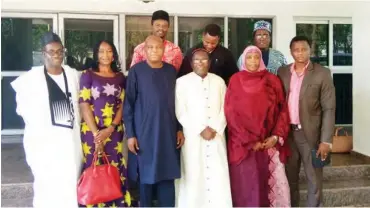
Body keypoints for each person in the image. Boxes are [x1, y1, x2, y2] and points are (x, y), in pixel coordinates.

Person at [11, 32, 83, 208]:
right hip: (45, 146)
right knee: (47, 188)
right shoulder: (30, 80)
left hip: (70, 144)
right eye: (51, 51)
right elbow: (23, 111)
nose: (56, 55)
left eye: (60, 51)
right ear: (43, 53)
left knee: (71, 185)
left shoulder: (73, 75)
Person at [225, 45, 291, 207]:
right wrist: (249, 140)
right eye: (249, 57)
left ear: (261, 59)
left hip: (268, 143)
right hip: (242, 144)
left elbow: (283, 110)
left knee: (265, 185)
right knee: (245, 186)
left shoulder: (272, 80)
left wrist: (275, 136)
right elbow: (231, 113)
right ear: (243, 59)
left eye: (256, 57)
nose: (253, 61)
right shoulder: (235, 80)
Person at [123, 35, 185, 207]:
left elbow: (177, 103)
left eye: (158, 47)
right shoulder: (136, 71)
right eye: (150, 47)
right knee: (146, 176)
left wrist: (179, 128)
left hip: (167, 132)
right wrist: (131, 134)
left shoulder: (171, 71)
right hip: (144, 132)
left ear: (164, 50)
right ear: (144, 50)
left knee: (166, 174)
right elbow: (128, 103)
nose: (154, 51)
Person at [278, 36, 336, 207]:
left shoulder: (322, 73)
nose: (300, 53)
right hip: (287, 134)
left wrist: (326, 141)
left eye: (304, 49)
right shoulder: (282, 72)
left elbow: (329, 109)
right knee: (290, 179)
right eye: (296, 50)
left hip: (311, 135)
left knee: (314, 180)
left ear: (310, 50)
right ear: (291, 52)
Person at [78, 40, 134, 207]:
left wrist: (111, 128)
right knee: (94, 166)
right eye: (101, 51)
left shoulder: (120, 77)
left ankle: (117, 203)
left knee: (114, 166)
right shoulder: (87, 75)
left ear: (114, 54)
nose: (105, 55)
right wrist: (97, 135)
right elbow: (84, 104)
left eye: (109, 51)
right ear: (96, 54)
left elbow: (123, 104)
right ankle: (93, 202)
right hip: (91, 132)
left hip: (114, 131)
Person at [175, 48, 232, 208]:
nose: (200, 63)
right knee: (194, 173)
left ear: (210, 62)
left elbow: (226, 108)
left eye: (204, 59)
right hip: (193, 136)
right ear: (191, 63)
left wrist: (215, 128)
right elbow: (181, 111)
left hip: (216, 136)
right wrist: (200, 129)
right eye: (197, 60)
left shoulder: (219, 81)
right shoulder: (182, 82)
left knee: (217, 173)